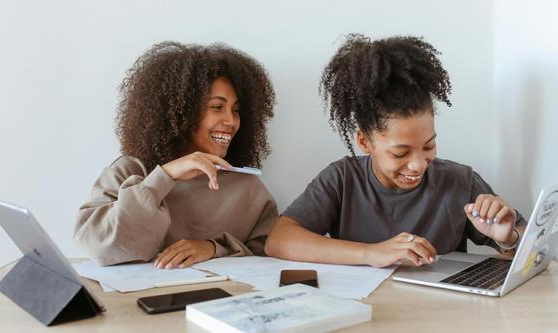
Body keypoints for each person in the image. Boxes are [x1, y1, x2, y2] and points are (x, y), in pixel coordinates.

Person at [265, 34, 526, 268]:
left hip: (440, 315)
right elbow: (278, 240)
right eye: (400, 153)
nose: (419, 165)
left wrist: (509, 238)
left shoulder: (460, 181)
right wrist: (372, 254)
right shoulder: (342, 179)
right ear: (365, 142)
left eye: (428, 146)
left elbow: (534, 251)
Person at [75, 41, 278, 268]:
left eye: (236, 110)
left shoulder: (245, 185)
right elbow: (100, 248)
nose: (231, 121)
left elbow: (268, 253)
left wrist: (213, 248)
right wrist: (165, 176)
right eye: (217, 107)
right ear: (181, 112)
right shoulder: (129, 171)